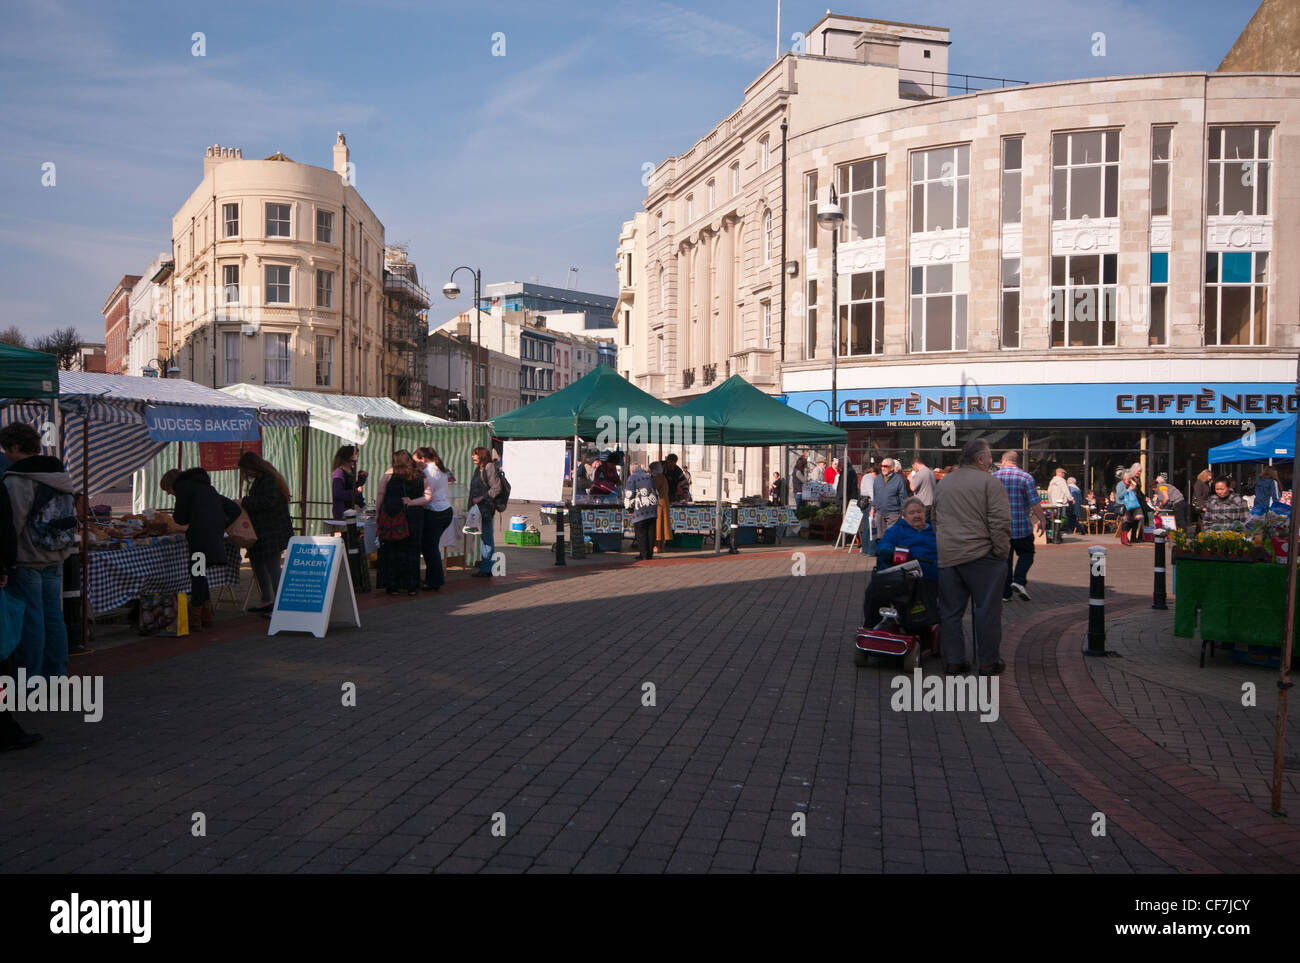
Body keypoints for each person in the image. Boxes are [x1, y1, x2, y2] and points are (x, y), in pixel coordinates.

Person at [0, 423, 78, 683]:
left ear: (14, 447)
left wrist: (6, 560)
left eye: (5, 448)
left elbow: (12, 524)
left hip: (27, 558)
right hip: (56, 555)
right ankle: (56, 673)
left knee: (31, 619)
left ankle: (30, 679)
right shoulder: (59, 472)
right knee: (53, 617)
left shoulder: (18, 479)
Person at [933, 438, 1012, 676]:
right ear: (980, 459)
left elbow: (935, 519)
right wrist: (1001, 552)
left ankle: (954, 661)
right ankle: (988, 662)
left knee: (950, 612)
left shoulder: (945, 483)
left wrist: (947, 543)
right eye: (989, 455)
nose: (991, 459)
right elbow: (1000, 523)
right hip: (982, 556)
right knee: (987, 611)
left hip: (950, 556)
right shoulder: (990, 482)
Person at [161, 465, 241, 630]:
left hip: (199, 538)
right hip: (213, 536)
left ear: (172, 484)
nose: (169, 493)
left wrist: (192, 516)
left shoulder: (183, 488)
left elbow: (180, 519)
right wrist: (221, 524)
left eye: (168, 490)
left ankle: (195, 615)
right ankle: (206, 615)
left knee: (197, 573)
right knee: (200, 573)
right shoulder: (206, 488)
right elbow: (234, 508)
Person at [238, 451, 293, 613]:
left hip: (271, 532)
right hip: (266, 532)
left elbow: (268, 502)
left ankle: (280, 602)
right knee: (259, 565)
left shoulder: (268, 480)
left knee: (272, 567)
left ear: (252, 467)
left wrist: (244, 502)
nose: (245, 474)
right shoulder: (266, 478)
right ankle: (267, 600)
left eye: (246, 470)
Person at [375, 450, 431, 596]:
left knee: (392, 549)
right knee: (412, 550)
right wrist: (412, 502)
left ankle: (393, 586)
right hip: (414, 516)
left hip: (392, 515)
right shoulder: (420, 474)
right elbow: (428, 497)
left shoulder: (389, 473)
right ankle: (412, 586)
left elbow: (380, 494)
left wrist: (377, 513)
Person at [994, 450, 1045, 601]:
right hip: (1021, 527)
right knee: (1027, 554)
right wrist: (1042, 519)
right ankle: (1019, 580)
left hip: (1001, 529)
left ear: (1003, 461)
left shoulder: (993, 477)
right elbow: (1034, 502)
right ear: (1017, 462)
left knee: (1005, 560)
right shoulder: (1026, 477)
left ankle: (1005, 593)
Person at [414, 447, 455, 591]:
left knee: (430, 549)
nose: (415, 464)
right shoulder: (440, 468)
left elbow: (426, 494)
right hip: (445, 510)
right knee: (431, 547)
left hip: (435, 511)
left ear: (422, 459)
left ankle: (435, 580)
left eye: (416, 461)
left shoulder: (427, 472)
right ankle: (433, 579)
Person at [876, 497, 938, 581]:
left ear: (924, 513)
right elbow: (883, 549)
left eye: (919, 512)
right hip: (909, 578)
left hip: (938, 574)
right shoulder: (896, 530)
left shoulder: (934, 530)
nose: (916, 515)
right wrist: (903, 556)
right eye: (912, 513)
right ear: (904, 517)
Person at [468, 446, 503, 578]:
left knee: (487, 537)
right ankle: (486, 566)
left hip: (486, 508)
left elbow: (496, 488)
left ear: (482, 455)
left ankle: (487, 568)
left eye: (475, 454)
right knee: (484, 537)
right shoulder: (479, 469)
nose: (473, 457)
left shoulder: (489, 467)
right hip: (479, 509)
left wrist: (481, 498)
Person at [625, 464, 659, 560]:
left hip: (640, 509)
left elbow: (629, 494)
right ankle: (649, 554)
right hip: (652, 508)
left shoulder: (632, 478)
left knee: (641, 533)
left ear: (631, 471)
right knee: (651, 532)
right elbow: (655, 491)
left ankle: (644, 555)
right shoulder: (649, 477)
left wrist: (628, 507)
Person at [331, 446, 367, 521]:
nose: (357, 458)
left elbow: (352, 486)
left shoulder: (352, 470)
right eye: (355, 455)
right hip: (344, 510)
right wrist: (355, 493)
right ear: (348, 456)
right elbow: (337, 493)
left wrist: (361, 478)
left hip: (354, 508)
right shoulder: (339, 472)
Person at [651, 462, 673, 551]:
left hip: (659, 504)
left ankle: (657, 546)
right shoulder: (663, 477)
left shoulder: (657, 478)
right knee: (663, 526)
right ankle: (660, 546)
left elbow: (653, 489)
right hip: (664, 503)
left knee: (659, 526)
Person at [1047, 467, 1074, 537]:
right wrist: (1071, 499)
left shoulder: (1052, 481)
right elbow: (1066, 490)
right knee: (1063, 518)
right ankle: (1058, 533)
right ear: (1060, 473)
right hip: (1061, 503)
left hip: (1053, 503)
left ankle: (1054, 532)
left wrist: (1050, 502)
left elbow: (1049, 492)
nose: (1064, 475)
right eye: (1063, 473)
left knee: (1054, 518)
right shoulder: (1062, 481)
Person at [1119, 474, 1144, 545]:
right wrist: (1129, 490)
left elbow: (1138, 490)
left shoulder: (1132, 483)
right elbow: (1120, 495)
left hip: (1133, 504)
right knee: (1126, 522)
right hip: (1125, 505)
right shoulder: (1121, 485)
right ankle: (1124, 538)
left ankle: (1130, 538)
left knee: (1134, 521)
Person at [1191, 468, 1213, 532]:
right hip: (1200, 504)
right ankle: (1206, 533)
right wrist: (1202, 506)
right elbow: (1198, 496)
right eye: (1209, 475)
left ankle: (1197, 533)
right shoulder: (1199, 483)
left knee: (1200, 520)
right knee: (1205, 518)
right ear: (1205, 475)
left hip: (1205, 503)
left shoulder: (1206, 483)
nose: (1210, 477)